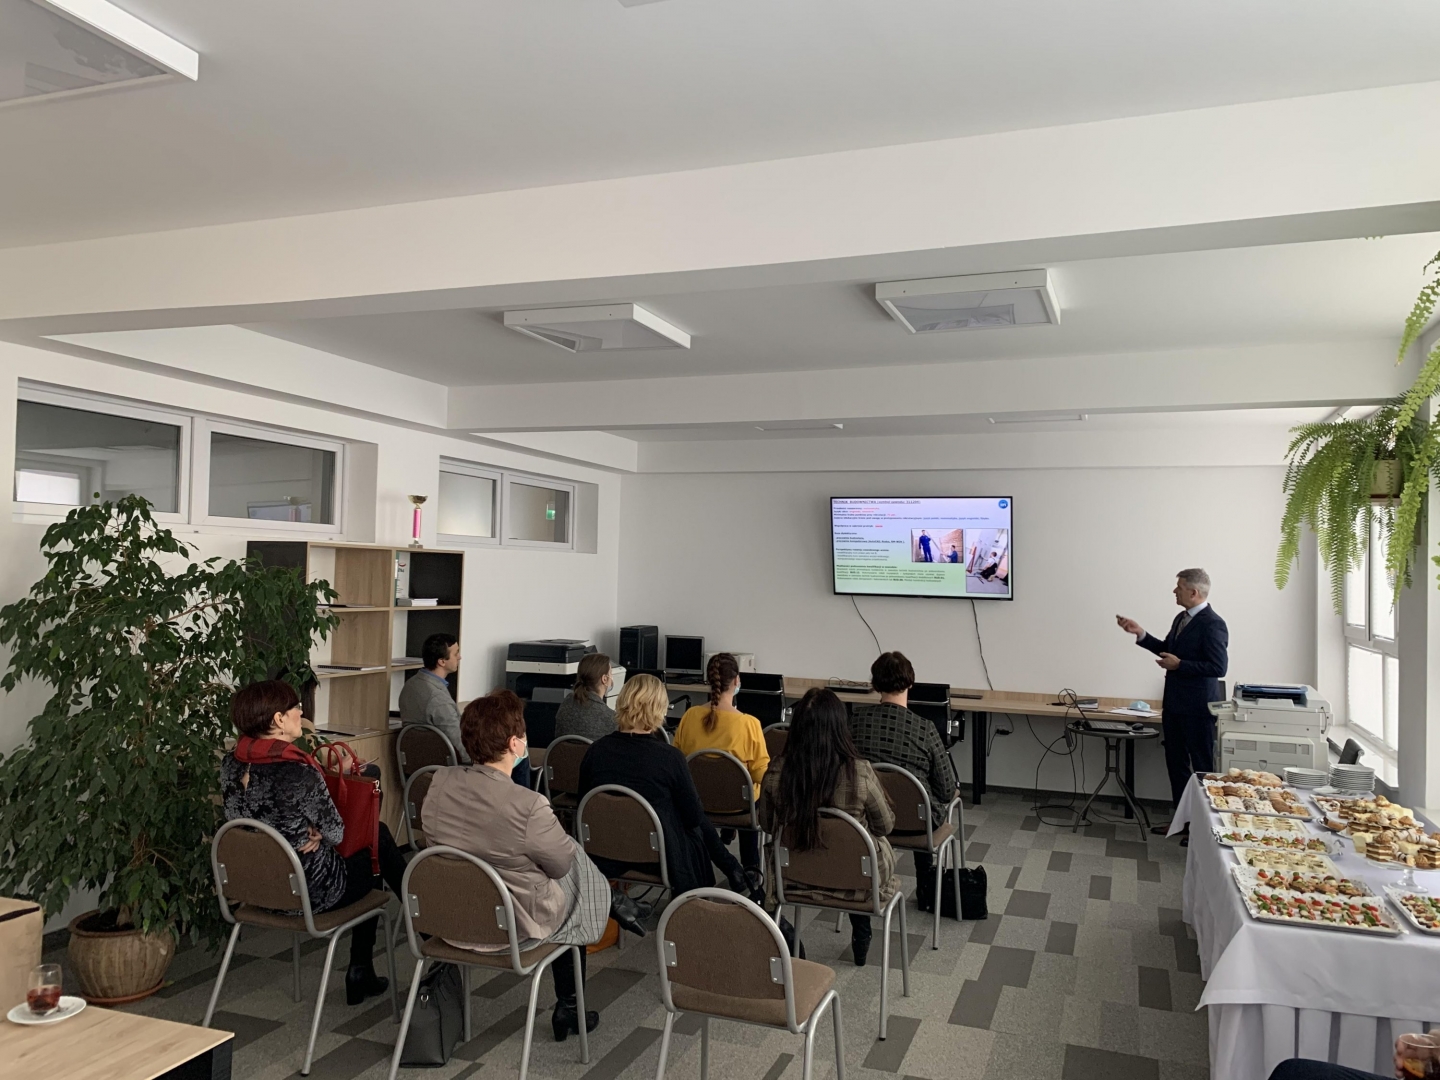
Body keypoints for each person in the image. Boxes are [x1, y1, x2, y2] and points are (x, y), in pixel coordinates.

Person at [423, 690, 615, 1043]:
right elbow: (560, 866)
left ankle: (614, 907)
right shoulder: (529, 804)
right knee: (575, 885)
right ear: (514, 743)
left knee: (564, 863)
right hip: (508, 931)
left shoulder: (439, 783)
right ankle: (570, 1005)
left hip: (447, 918)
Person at [220, 680, 405, 1006]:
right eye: (295, 707)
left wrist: (302, 823)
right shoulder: (297, 771)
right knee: (375, 845)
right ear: (278, 719)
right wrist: (316, 827)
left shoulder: (230, 764)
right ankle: (388, 950)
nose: (301, 712)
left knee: (376, 841)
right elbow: (336, 834)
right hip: (308, 892)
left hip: (256, 888)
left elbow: (245, 821)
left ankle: (374, 961)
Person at [578, 674, 761, 900]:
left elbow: (585, 806)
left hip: (603, 852)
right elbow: (693, 818)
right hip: (657, 857)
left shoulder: (595, 752)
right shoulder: (669, 758)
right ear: (659, 709)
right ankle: (728, 874)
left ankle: (732, 868)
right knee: (692, 819)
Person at [759, 687, 898, 967]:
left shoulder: (776, 772)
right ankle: (861, 927)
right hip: (858, 882)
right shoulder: (859, 772)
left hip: (794, 878)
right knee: (859, 848)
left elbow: (766, 824)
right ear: (840, 728)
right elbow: (885, 826)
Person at [1116, 567, 1229, 841]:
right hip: (1175, 706)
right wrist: (1141, 634)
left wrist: (1181, 665)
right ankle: (1182, 821)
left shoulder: (1213, 624)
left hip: (1198, 709)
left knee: (1201, 769)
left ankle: (1203, 829)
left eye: (1179, 587)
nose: (1174, 591)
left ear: (1194, 592)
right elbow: (1168, 649)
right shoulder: (1181, 618)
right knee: (1176, 765)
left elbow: (1218, 667)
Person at [847, 651, 960, 913]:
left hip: (867, 818)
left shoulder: (856, 722)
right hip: (917, 825)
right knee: (922, 800)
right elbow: (946, 790)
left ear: (875, 684)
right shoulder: (925, 728)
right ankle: (926, 887)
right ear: (911, 682)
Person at [673, 653, 769, 870]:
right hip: (739, 806)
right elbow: (759, 774)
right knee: (752, 790)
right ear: (736, 681)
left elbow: (677, 762)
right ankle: (751, 867)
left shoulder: (689, 717)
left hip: (697, 803)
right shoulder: (749, 724)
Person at [399, 633, 531, 788]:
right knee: (519, 756)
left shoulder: (410, 685)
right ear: (442, 661)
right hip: (449, 767)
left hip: (417, 765)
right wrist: (485, 758)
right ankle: (522, 801)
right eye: (456, 654)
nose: (460, 657)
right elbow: (459, 744)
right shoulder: (438, 699)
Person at [554, 653, 618, 741]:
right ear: (604, 679)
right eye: (611, 673)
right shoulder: (611, 718)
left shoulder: (566, 702)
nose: (612, 677)